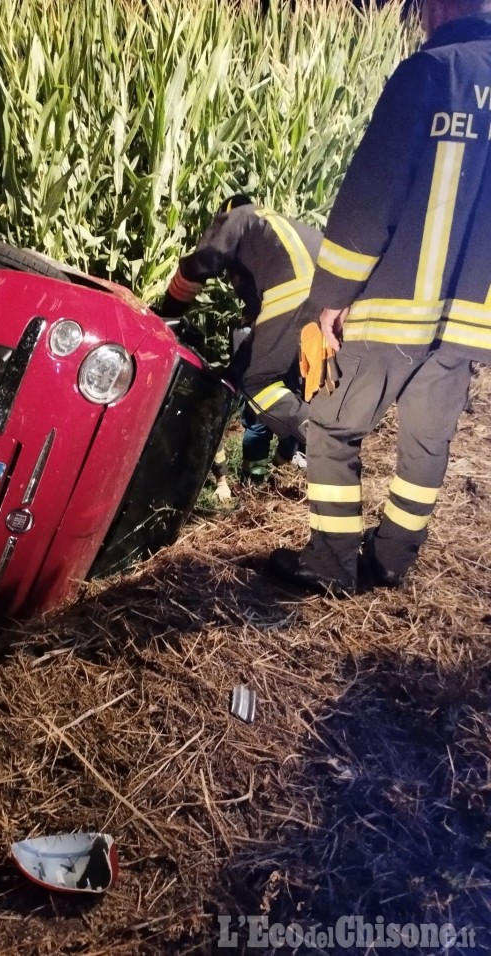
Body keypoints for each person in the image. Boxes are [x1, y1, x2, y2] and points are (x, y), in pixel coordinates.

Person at [267, 0, 491, 596]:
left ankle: (332, 564)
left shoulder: (432, 72)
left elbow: (370, 199)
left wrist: (330, 298)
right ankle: (391, 560)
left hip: (394, 309)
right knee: (426, 444)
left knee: (331, 429)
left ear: (443, 7)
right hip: (469, 322)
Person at [154, 195, 322, 498]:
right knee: (263, 377)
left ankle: (324, 440)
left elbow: (203, 261)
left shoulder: (240, 216)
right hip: (332, 296)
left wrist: (168, 317)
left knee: (256, 382)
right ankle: (309, 444)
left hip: (295, 291)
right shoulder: (275, 228)